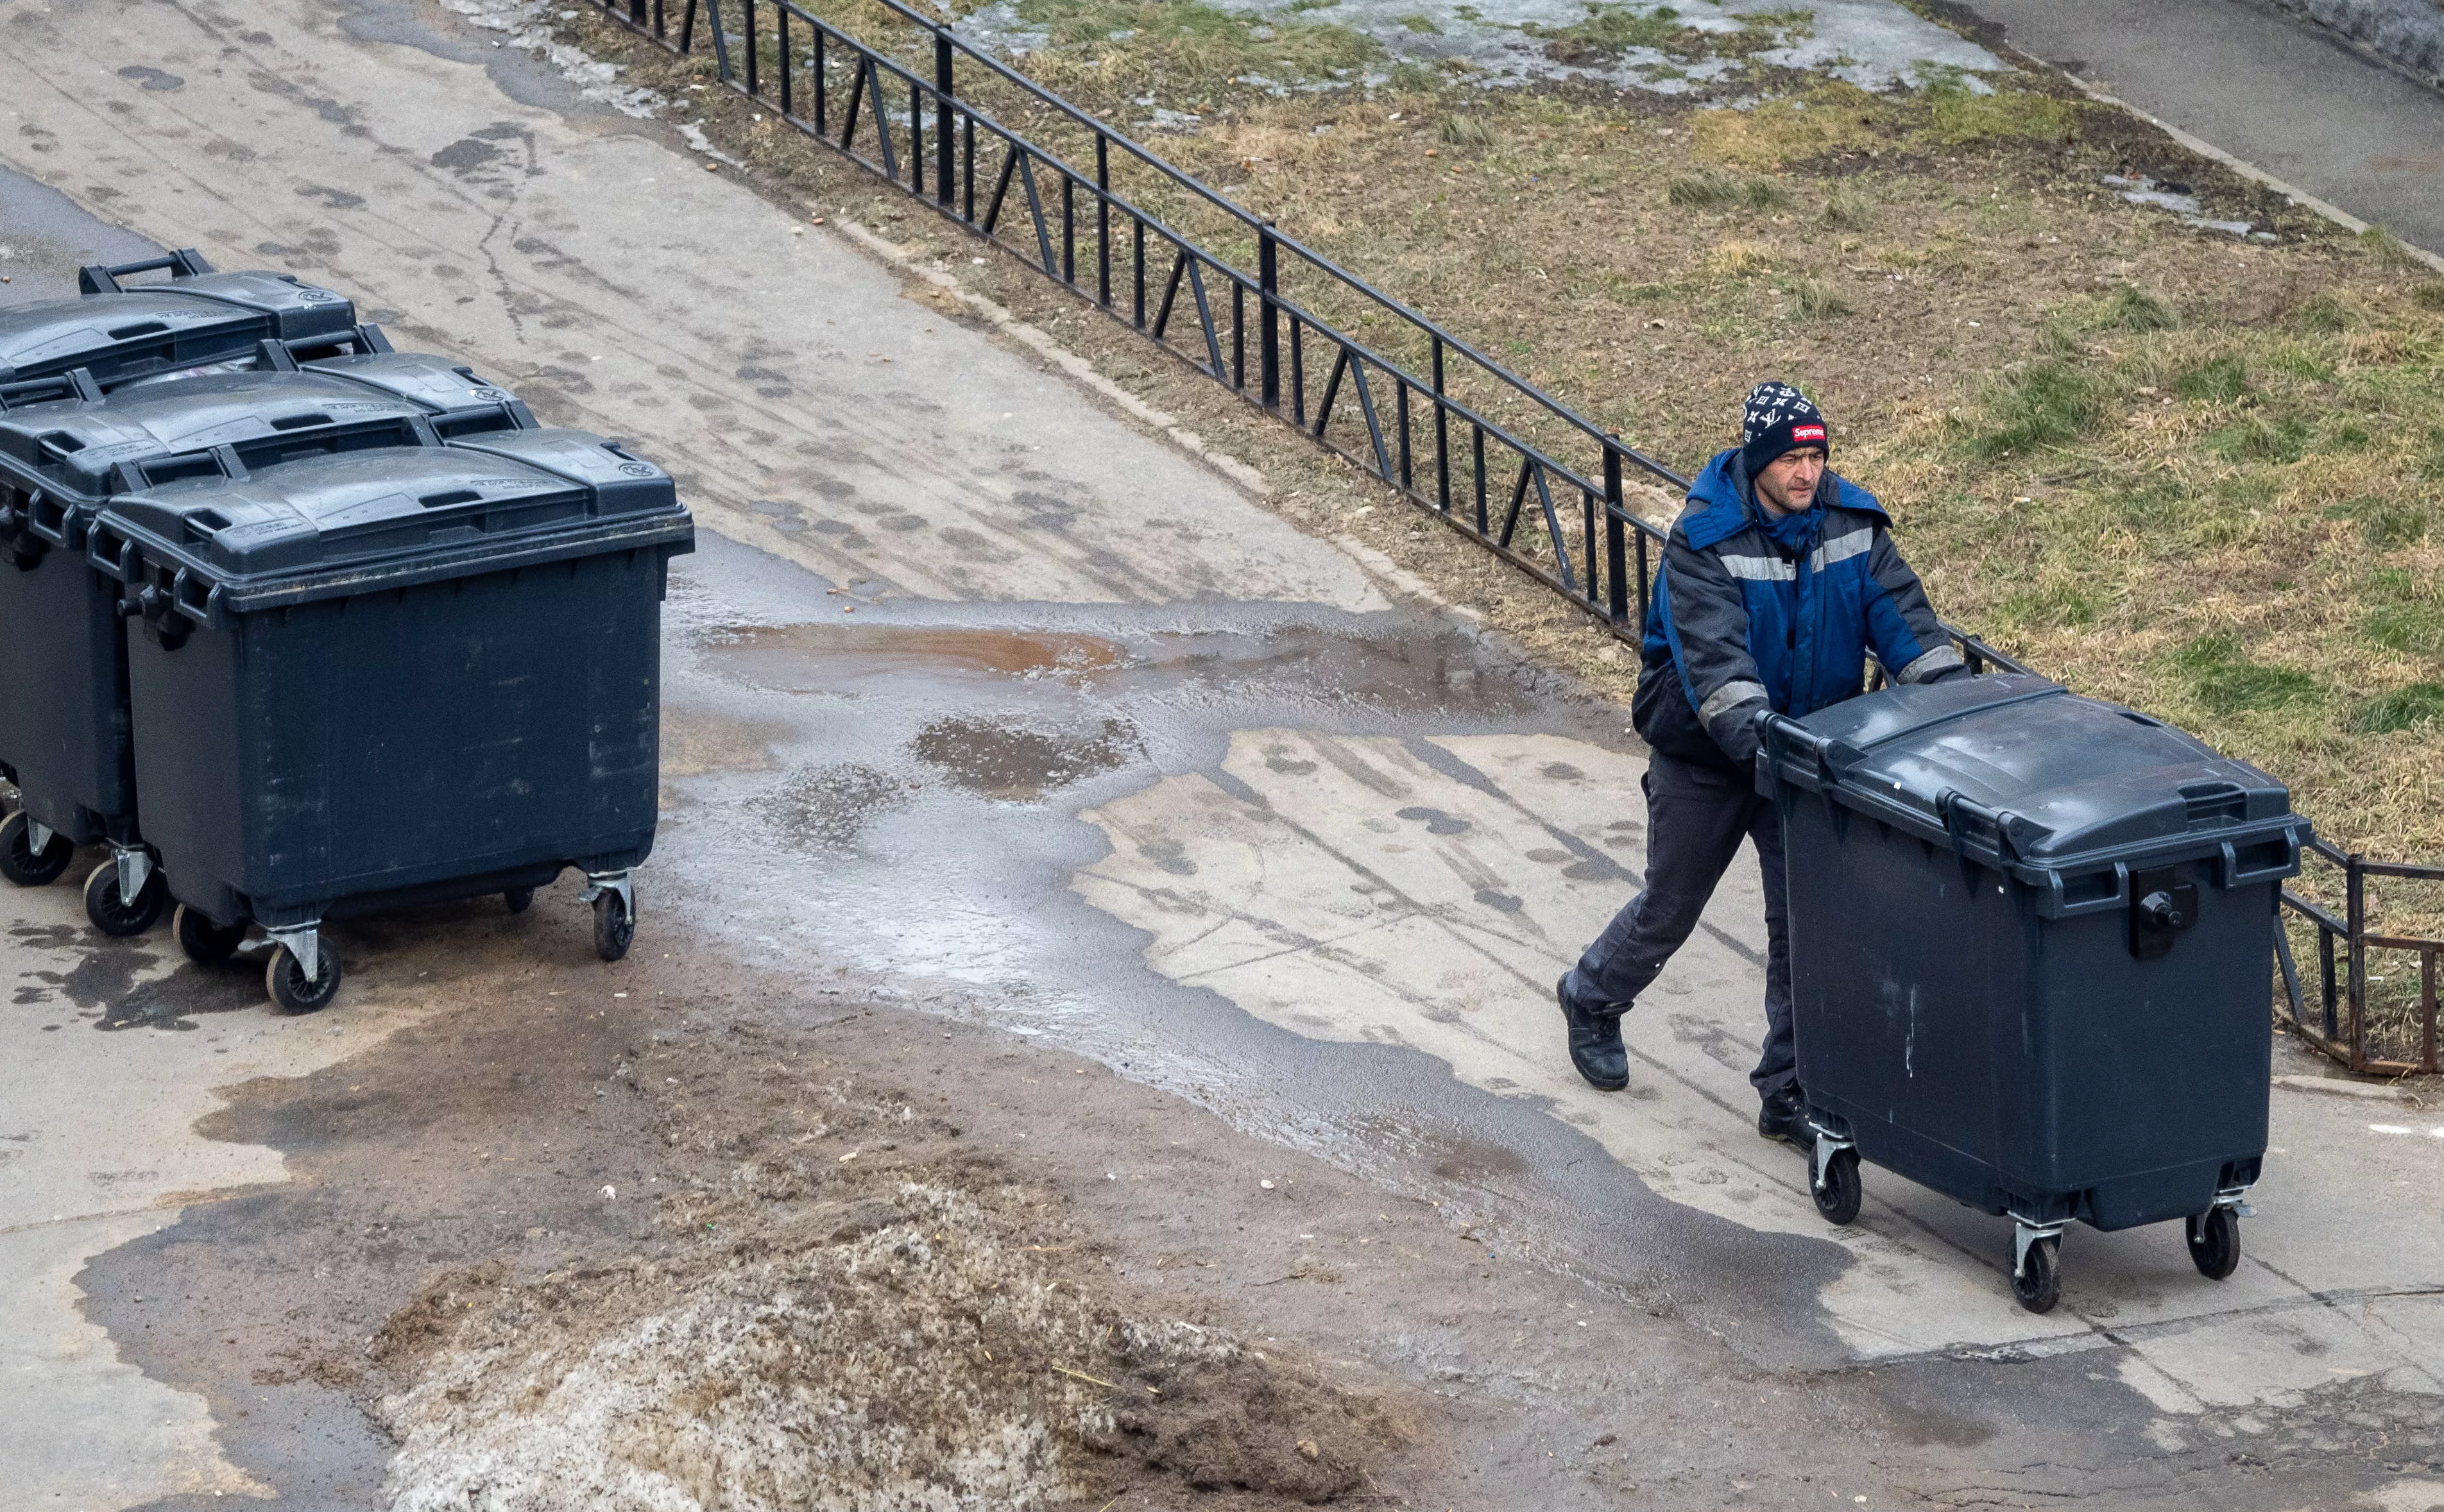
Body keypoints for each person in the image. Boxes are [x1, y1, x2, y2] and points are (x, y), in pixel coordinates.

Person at [1557, 381, 1967, 1143]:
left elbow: (1907, 628)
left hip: (1803, 760)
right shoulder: (1703, 541)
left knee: (1803, 929)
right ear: (1757, 461)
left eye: (1815, 454)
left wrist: (1953, 714)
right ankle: (1592, 996)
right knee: (1669, 907)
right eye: (1790, 457)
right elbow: (1718, 675)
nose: (1806, 471)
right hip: (1707, 758)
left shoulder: (1851, 526)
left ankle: (1788, 1091)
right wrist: (1772, 748)